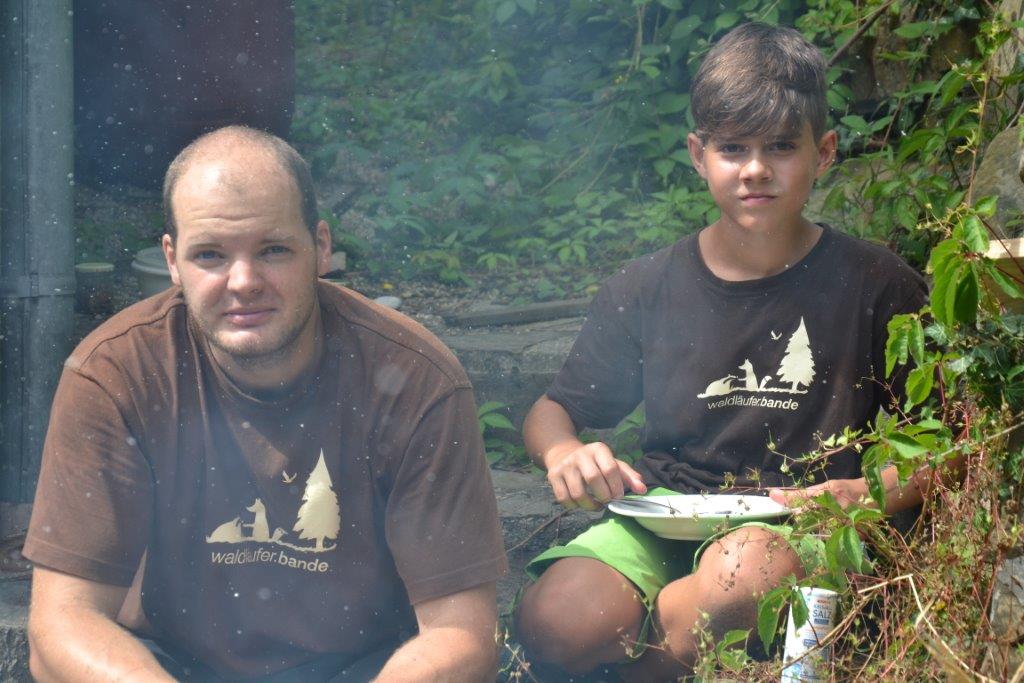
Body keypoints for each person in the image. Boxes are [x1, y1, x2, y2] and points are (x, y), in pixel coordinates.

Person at [514, 23, 937, 681]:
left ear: (824, 152)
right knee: (556, 620)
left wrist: (862, 493)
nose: (756, 169)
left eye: (781, 146)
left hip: (797, 526)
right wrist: (565, 453)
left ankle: (648, 662)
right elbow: (552, 410)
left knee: (740, 581)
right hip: (662, 512)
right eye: (733, 148)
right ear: (698, 154)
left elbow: (953, 442)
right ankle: (668, 646)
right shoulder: (648, 285)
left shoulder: (875, 284)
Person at [23, 126, 508, 682]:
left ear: (320, 247)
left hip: (369, 669)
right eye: (210, 255)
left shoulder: (417, 380)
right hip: (168, 667)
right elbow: (62, 623)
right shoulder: (114, 374)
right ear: (172, 260)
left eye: (273, 249)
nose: (244, 282)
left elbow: (462, 636)